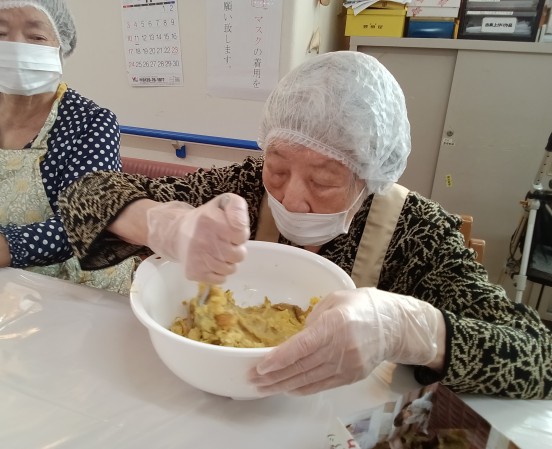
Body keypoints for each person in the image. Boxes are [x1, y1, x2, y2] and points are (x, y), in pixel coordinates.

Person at [58, 51, 552, 399]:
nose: (291, 196)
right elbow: (82, 196)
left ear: (369, 175)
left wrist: (412, 330)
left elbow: (538, 357)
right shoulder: (244, 189)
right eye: (278, 168)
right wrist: (161, 221)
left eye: (323, 179)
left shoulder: (416, 233)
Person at [0, 0, 135, 294]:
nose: (16, 46)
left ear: (60, 46)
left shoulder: (88, 122)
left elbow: (87, 221)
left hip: (63, 290)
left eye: (36, 36)